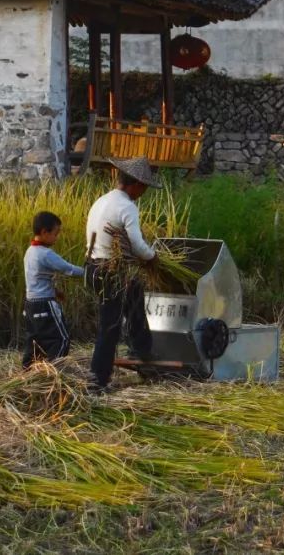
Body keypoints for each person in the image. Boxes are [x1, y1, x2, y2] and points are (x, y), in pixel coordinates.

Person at [85, 156, 160, 392]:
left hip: (94, 267)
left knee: (135, 301)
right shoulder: (127, 206)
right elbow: (137, 246)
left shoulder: (102, 200)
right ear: (136, 184)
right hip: (110, 272)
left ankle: (142, 355)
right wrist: (153, 257)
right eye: (144, 188)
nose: (144, 192)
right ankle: (98, 380)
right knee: (111, 326)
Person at [22, 211, 84, 367]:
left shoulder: (30, 252)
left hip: (30, 304)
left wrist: (55, 291)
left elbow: (36, 279)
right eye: (55, 234)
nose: (57, 238)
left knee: (35, 342)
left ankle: (28, 373)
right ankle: (53, 373)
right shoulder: (46, 254)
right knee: (61, 339)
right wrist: (90, 272)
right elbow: (68, 269)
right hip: (44, 305)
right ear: (44, 232)